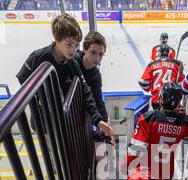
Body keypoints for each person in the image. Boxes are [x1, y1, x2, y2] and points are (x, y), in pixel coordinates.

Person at [16, 13, 114, 141]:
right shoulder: (38, 57)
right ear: (57, 38)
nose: (73, 50)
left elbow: (85, 91)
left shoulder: (72, 64)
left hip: (63, 123)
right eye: (69, 44)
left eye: (76, 45)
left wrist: (98, 120)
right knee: (53, 155)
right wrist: (36, 97)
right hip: (44, 124)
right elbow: (22, 77)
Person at [125, 82, 188, 180]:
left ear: (161, 98)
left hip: (146, 166)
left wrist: (131, 170)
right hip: (166, 168)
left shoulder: (148, 119)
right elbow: (183, 131)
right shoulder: (187, 123)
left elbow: (135, 149)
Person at [75, 31, 111, 142]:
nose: (97, 58)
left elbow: (98, 100)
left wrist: (105, 121)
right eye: (93, 52)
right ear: (84, 49)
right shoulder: (73, 63)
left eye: (101, 54)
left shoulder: (96, 75)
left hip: (80, 118)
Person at [139, 44, 185, 109]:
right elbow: (182, 82)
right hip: (172, 100)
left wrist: (150, 88)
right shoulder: (176, 64)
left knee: (157, 118)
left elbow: (143, 83)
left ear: (159, 53)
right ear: (169, 53)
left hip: (156, 100)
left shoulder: (151, 65)